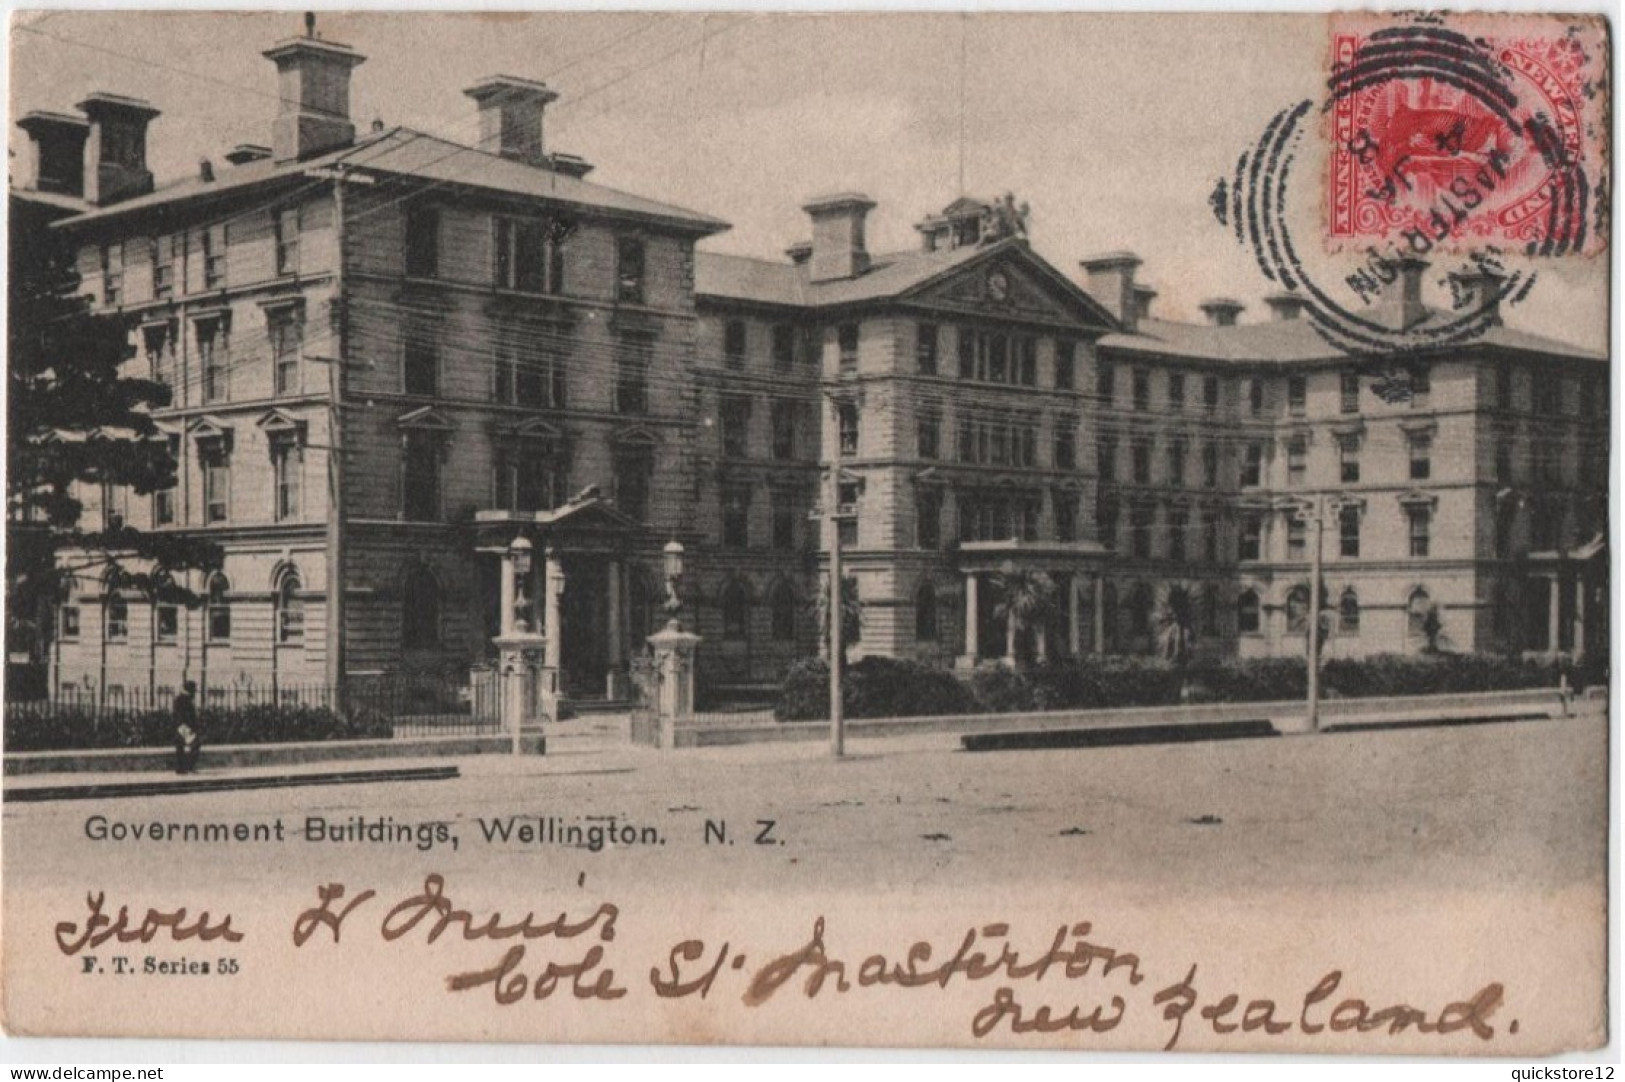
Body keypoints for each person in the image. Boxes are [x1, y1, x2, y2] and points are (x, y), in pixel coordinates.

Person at [173, 680, 201, 775]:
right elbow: (181, 715)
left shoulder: (183, 698)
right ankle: (187, 767)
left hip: (182, 727)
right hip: (184, 727)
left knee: (182, 747)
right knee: (194, 745)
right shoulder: (183, 699)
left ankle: (182, 768)